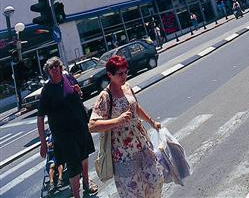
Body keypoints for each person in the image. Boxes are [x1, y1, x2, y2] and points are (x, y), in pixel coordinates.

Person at [89, 55, 163, 198]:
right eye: (119, 73)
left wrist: (152, 122)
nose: (124, 76)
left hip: (141, 145)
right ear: (110, 75)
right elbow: (92, 125)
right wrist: (117, 120)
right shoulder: (105, 96)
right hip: (123, 153)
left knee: (155, 181)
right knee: (134, 191)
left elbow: (136, 107)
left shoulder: (127, 87)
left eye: (125, 72)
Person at [37, 57, 98, 198]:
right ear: (48, 71)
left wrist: (79, 92)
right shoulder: (47, 90)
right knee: (73, 165)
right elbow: (40, 118)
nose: (54, 68)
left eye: (56, 65)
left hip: (80, 126)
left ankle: (87, 185)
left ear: (60, 67)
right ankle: (77, 195)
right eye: (51, 67)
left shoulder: (68, 78)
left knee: (84, 156)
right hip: (63, 135)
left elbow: (78, 95)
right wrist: (43, 143)